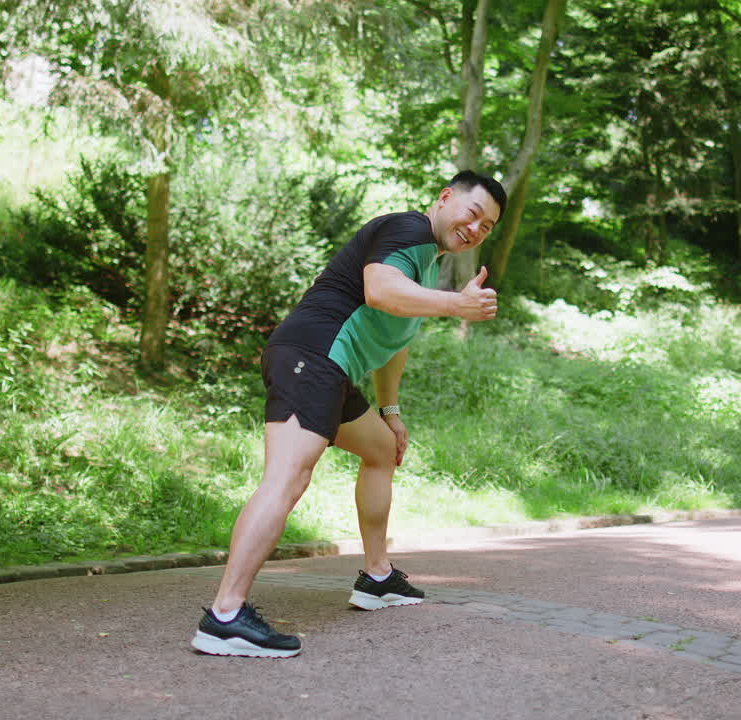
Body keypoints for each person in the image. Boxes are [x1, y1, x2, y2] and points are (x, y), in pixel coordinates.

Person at [190, 170, 508, 658]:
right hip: (311, 356)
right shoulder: (409, 230)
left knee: (381, 449)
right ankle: (225, 616)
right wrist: (455, 306)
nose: (476, 229)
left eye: (487, 227)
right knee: (287, 478)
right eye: (472, 213)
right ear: (445, 199)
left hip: (330, 369)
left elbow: (393, 341)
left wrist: (390, 411)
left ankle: (378, 578)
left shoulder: (425, 266)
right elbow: (380, 291)